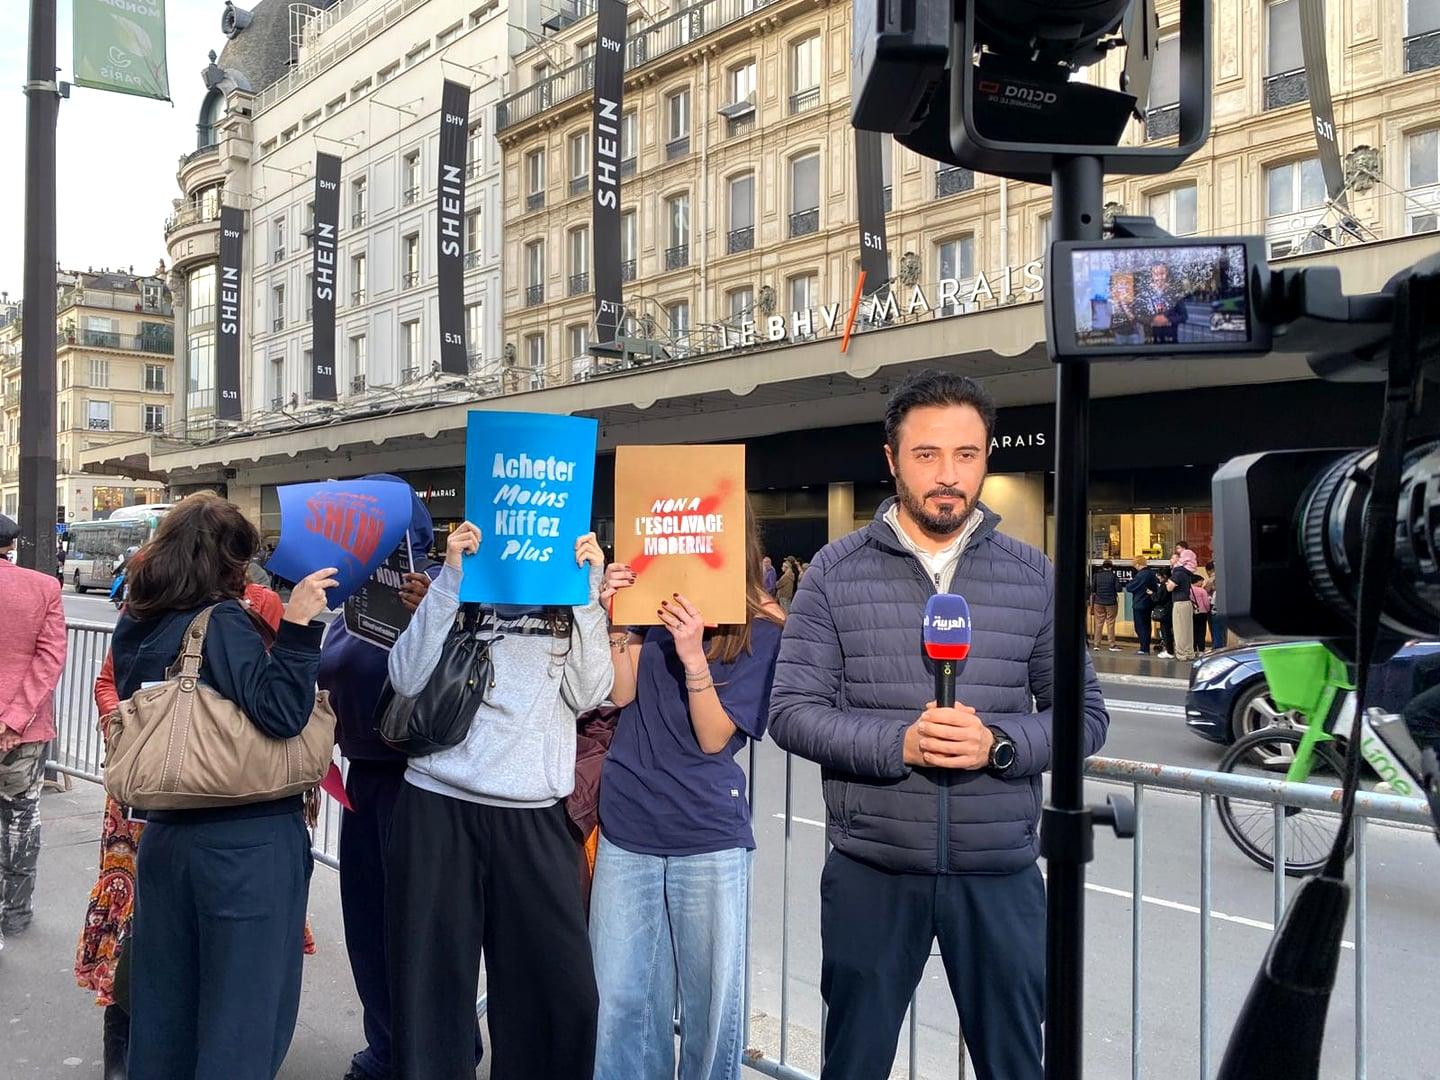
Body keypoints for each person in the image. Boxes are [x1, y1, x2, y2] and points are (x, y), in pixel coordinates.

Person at [768, 372, 1110, 1080]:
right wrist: (899, 744)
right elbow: (792, 712)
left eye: (966, 454)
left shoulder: (1033, 576)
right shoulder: (834, 572)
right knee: (854, 1065)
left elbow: (1085, 715)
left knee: (1016, 1066)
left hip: (1001, 872)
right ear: (892, 459)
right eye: (927, 454)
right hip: (872, 868)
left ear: (986, 459)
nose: (948, 475)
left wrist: (1000, 745)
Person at [109, 493, 336, 1080]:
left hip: (166, 837)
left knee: (167, 1009)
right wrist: (297, 627)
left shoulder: (137, 620)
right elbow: (281, 712)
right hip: (244, 842)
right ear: (225, 560)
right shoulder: (222, 621)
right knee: (242, 1016)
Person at [384, 522, 612, 1080]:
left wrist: (587, 596)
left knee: (560, 1000)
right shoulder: (459, 579)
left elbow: (590, 693)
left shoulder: (565, 592)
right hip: (437, 805)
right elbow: (406, 677)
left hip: (534, 814)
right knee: (430, 995)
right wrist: (449, 580)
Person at [79, 577, 301, 1080]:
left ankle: (135, 1051)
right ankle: (125, 1040)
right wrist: (302, 630)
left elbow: (114, 680)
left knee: (166, 959)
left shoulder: (156, 608)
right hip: (199, 800)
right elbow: (279, 709)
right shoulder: (204, 611)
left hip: (181, 796)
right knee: (210, 975)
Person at [591, 504, 785, 1080]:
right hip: (627, 822)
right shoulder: (652, 600)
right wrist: (616, 621)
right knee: (620, 1006)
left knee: (709, 1013)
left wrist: (694, 655)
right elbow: (621, 695)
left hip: (707, 834)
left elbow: (713, 736)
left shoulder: (764, 626)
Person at [316, 477, 453, 1080]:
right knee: (369, 926)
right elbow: (329, 672)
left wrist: (434, 613)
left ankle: (431, 1056)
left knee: (419, 934)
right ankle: (388, 1049)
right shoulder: (352, 596)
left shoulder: (441, 590)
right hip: (362, 780)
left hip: (420, 782)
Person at [0, 513, 67, 951]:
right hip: (24, 732)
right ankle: (16, 913)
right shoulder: (44, 587)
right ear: (11, 544)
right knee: (22, 821)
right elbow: (50, 659)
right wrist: (13, 719)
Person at [1167, 541, 1198, 662]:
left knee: (1179, 630)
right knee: (1188, 630)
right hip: (1187, 602)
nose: (1171, 560)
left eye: (1173, 558)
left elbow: (1170, 588)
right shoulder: (1187, 573)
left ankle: (1181, 654)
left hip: (1179, 603)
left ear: (1179, 560)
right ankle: (1189, 652)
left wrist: (1168, 582)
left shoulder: (1178, 572)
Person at [1125, 556, 1158, 655]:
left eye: (1135, 566)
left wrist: (1130, 583)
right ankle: (1146, 647)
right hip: (1149, 602)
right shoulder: (1151, 573)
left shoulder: (1141, 575)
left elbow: (1130, 587)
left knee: (1140, 626)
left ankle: (1144, 648)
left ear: (1138, 564)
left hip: (1140, 602)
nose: (1135, 568)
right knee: (1147, 625)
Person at [1090, 558, 1120, 652]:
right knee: (1110, 623)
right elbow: (1118, 589)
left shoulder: (1096, 576)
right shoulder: (1113, 576)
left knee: (1099, 623)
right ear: (1111, 567)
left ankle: (1096, 644)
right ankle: (1112, 644)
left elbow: (1093, 589)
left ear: (1103, 567)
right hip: (1111, 603)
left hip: (1098, 602)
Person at [1151, 566, 1176, 658]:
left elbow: (1159, 598)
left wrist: (1152, 594)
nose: (1158, 577)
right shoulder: (1172, 582)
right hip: (1172, 609)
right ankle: (1172, 649)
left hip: (1165, 610)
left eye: (1159, 575)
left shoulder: (1164, 585)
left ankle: (1169, 651)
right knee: (1172, 630)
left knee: (1166, 631)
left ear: (1164, 575)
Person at [1206, 561, 1226, 649]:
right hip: (1224, 609)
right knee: (1223, 631)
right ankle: (1223, 647)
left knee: (1216, 631)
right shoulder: (1225, 577)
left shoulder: (1212, 578)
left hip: (1216, 609)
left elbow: (1206, 590)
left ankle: (1218, 649)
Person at [1190, 574, 1212, 653]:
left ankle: (1194, 649)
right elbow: (1206, 603)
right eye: (1201, 581)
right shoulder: (1202, 590)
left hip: (1191, 613)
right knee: (1201, 631)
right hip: (1202, 613)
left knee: (1193, 631)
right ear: (1197, 581)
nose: (1202, 583)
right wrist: (1208, 610)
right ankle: (1201, 649)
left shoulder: (1188, 589)